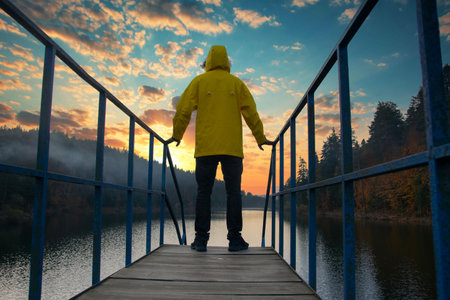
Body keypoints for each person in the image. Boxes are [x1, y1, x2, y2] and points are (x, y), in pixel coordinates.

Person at [167, 45, 274, 252]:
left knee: (203, 193)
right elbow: (251, 112)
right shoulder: (236, 83)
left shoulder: (198, 82)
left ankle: (200, 240)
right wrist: (260, 138)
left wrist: (177, 135)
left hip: (206, 148)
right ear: (227, 62)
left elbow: (183, 110)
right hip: (232, 149)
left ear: (207, 61)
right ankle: (235, 239)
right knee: (233, 193)